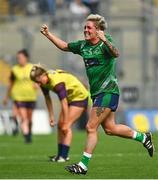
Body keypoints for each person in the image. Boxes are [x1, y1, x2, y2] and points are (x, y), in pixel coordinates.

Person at [40, 14, 154, 174]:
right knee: (110, 129)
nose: (85, 30)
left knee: (90, 126)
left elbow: (116, 54)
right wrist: (48, 34)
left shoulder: (105, 43)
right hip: (96, 93)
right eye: (85, 27)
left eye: (89, 28)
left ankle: (83, 165)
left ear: (98, 30)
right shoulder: (83, 46)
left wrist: (105, 40)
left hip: (108, 91)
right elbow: (65, 46)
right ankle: (143, 138)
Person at [30, 65, 90, 162]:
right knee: (60, 126)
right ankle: (59, 155)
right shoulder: (43, 82)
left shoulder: (57, 83)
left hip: (79, 97)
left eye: (39, 80)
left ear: (44, 74)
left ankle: (64, 156)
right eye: (36, 82)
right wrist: (51, 116)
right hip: (70, 98)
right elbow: (47, 99)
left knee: (66, 126)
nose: (38, 84)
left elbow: (64, 103)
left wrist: (66, 121)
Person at [3, 49, 37, 143]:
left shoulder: (32, 68)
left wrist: (37, 84)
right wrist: (6, 97)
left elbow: (39, 79)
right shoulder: (14, 69)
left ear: (26, 58)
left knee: (29, 119)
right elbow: (11, 83)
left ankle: (29, 132)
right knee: (23, 117)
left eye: (21, 58)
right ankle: (26, 137)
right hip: (18, 97)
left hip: (31, 97)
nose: (19, 60)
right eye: (18, 58)